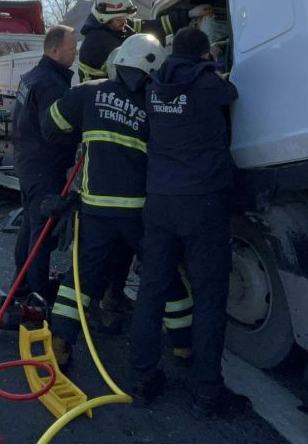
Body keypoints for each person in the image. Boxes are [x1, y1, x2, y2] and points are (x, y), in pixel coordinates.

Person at [40, 34, 194, 368]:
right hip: (139, 213)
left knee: (80, 278)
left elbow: (50, 124)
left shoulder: (88, 92)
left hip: (95, 209)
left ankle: (61, 340)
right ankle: (184, 343)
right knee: (161, 273)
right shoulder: (157, 105)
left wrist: (86, 124)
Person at [130, 26, 250, 420]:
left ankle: (144, 381)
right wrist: (214, 63)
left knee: (151, 293)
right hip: (202, 206)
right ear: (202, 55)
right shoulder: (208, 83)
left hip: (160, 203)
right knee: (210, 298)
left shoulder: (154, 87)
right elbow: (232, 93)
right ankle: (206, 392)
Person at [9, 24, 80, 299]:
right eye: (71, 48)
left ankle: (22, 281)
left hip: (27, 161)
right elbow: (54, 129)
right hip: (43, 166)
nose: (75, 52)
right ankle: (38, 294)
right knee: (42, 232)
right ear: (54, 50)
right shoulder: (51, 84)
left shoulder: (32, 76)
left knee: (30, 224)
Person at [76, 0, 205, 82]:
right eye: (120, 18)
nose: (125, 22)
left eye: (126, 17)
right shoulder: (95, 43)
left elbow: (152, 26)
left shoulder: (118, 26)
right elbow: (124, 76)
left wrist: (189, 15)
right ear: (104, 17)